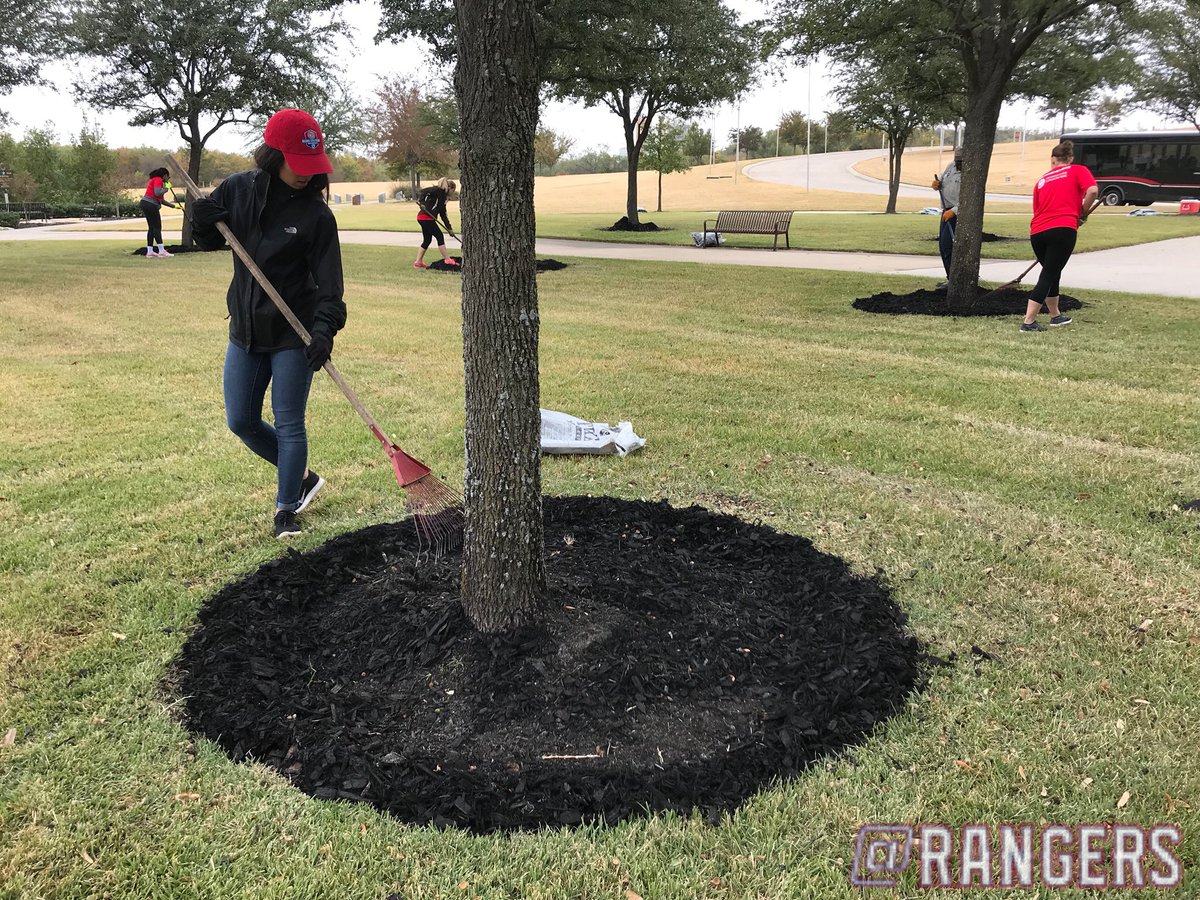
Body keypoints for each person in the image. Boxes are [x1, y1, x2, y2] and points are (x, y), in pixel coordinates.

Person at [189, 109, 346, 538]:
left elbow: (331, 286)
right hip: (246, 329)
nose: (307, 174)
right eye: (298, 163)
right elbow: (210, 239)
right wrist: (201, 220)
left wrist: (323, 330)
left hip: (294, 332)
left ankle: (285, 510)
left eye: (313, 164)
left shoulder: (317, 216)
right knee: (241, 420)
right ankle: (304, 477)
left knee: (290, 422)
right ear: (273, 155)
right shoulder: (238, 189)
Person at [1020, 139, 1098, 333]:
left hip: (1037, 232)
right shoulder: (1078, 170)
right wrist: (1082, 212)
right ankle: (1028, 322)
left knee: (1053, 271)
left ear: (1053, 159)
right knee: (1049, 274)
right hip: (1063, 228)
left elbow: (1037, 210)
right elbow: (1093, 190)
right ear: (1070, 158)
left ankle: (1055, 315)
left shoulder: (1042, 180)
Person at [930, 147, 962, 288]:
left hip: (957, 213)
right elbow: (942, 180)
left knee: (948, 245)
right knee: (943, 247)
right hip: (946, 211)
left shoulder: (969, 173)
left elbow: (968, 199)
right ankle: (950, 278)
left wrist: (954, 211)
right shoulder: (951, 166)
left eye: (961, 162)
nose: (958, 164)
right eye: (957, 161)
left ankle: (955, 280)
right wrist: (937, 184)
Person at [413, 178, 459, 269]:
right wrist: (422, 204)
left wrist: (449, 228)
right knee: (439, 236)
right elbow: (423, 192)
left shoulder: (442, 199)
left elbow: (443, 215)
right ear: (450, 188)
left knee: (427, 240)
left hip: (424, 218)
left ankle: (418, 262)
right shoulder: (438, 191)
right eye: (453, 191)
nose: (452, 193)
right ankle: (447, 259)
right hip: (426, 217)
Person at [140, 167, 178, 258]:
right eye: (168, 177)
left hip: (145, 203)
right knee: (157, 227)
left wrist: (174, 206)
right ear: (164, 176)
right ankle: (161, 251)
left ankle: (150, 251)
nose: (168, 179)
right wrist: (166, 188)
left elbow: (161, 200)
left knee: (151, 228)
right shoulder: (158, 179)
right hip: (151, 205)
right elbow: (157, 193)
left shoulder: (155, 180)